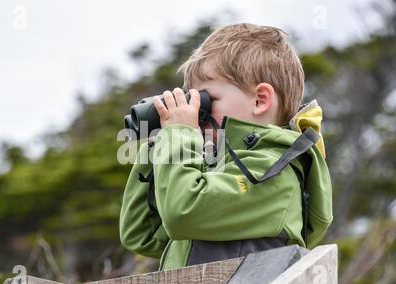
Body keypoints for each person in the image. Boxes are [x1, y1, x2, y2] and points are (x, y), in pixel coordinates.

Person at [119, 23, 333, 271]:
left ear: (260, 100)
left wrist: (178, 135)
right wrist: (160, 143)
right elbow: (141, 233)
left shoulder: (275, 173)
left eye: (209, 100)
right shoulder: (214, 170)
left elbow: (182, 213)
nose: (199, 112)